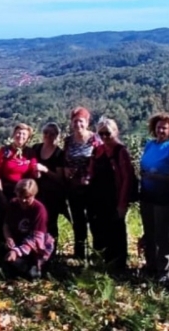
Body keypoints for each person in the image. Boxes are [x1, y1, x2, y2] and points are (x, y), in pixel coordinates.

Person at [139, 113, 169, 286]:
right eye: (158, 127)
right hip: (146, 195)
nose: (161, 131)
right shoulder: (150, 144)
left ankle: (165, 272)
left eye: (164, 128)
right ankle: (150, 266)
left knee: (162, 236)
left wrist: (156, 177)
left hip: (164, 197)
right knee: (149, 233)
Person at [86, 117, 137, 273]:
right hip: (96, 198)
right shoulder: (97, 150)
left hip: (114, 198)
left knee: (116, 232)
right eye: (101, 133)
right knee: (99, 231)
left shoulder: (120, 151)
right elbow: (91, 172)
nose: (104, 137)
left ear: (115, 132)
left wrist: (122, 204)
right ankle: (101, 263)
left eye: (107, 133)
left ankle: (118, 266)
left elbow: (127, 178)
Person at [0, 123, 39, 242]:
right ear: (13, 134)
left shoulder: (30, 153)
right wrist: (0, 193)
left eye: (24, 134)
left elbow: (33, 170)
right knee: (2, 221)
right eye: (18, 133)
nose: (20, 136)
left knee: (19, 223)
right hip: (4, 190)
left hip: (22, 193)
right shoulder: (5, 151)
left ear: (28, 138)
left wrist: (37, 171)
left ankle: (17, 249)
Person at [63, 106, 100, 259]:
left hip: (92, 187)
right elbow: (65, 159)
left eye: (81, 121)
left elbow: (100, 160)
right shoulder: (68, 140)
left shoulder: (95, 139)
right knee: (78, 221)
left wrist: (90, 175)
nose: (78, 124)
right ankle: (79, 254)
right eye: (75, 121)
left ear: (87, 122)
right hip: (73, 186)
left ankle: (97, 253)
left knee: (94, 220)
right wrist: (66, 169)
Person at [1, 179, 55, 280]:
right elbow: (6, 224)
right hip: (17, 242)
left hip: (34, 248)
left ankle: (35, 267)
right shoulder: (13, 203)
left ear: (34, 195)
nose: (23, 200)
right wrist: (8, 238)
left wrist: (16, 252)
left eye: (27, 197)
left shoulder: (39, 210)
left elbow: (35, 239)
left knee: (31, 274)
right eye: (20, 196)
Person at [30, 122, 67, 241]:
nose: (48, 135)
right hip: (35, 193)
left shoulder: (59, 153)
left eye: (52, 133)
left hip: (52, 195)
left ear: (57, 136)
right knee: (35, 222)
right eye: (46, 132)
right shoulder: (36, 148)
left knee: (50, 224)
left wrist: (45, 170)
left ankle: (51, 249)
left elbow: (60, 178)